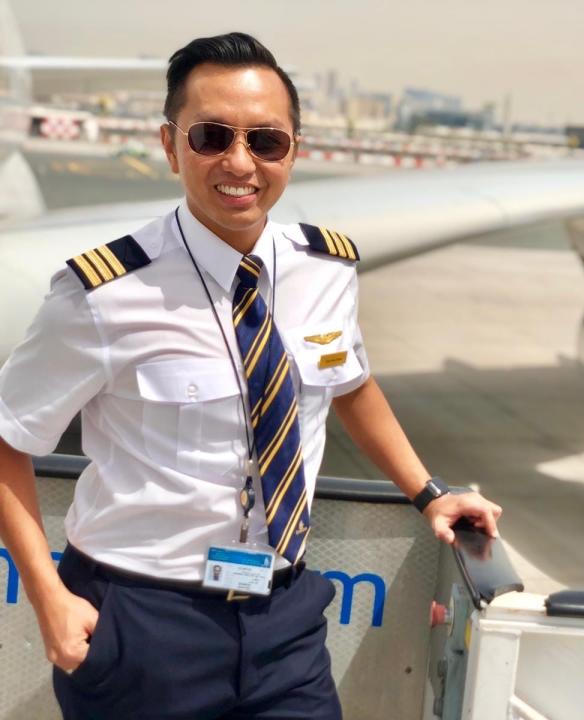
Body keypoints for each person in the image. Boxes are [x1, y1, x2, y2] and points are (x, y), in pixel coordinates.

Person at [0, 32, 502, 719]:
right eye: (212, 136)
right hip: (143, 619)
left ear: (294, 150)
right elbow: (8, 437)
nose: (240, 162)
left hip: (284, 615)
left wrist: (428, 492)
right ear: (171, 145)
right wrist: (48, 597)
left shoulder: (324, 269)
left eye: (266, 141)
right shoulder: (103, 291)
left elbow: (349, 383)